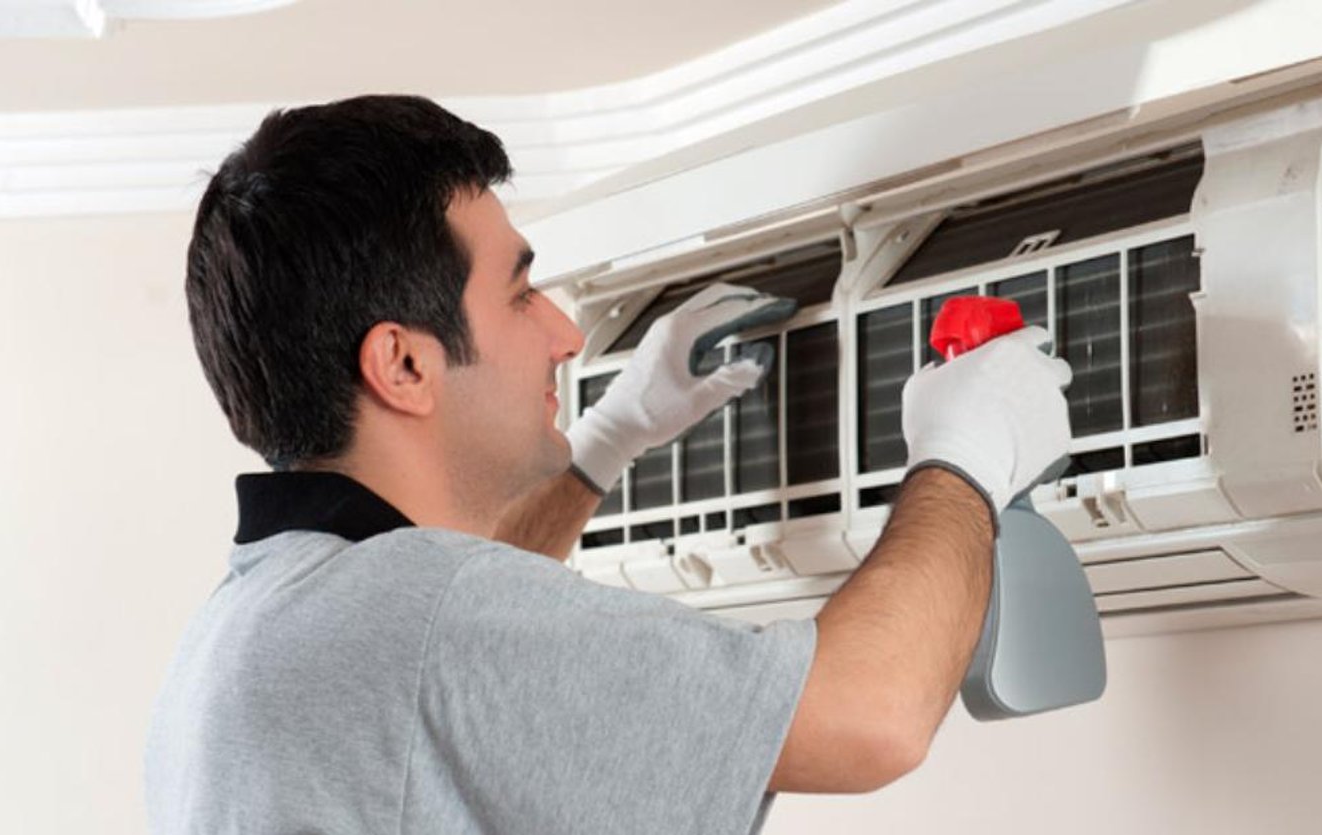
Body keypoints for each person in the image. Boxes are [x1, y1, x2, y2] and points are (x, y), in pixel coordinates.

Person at [145, 94, 1072, 835]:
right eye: (519, 295)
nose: (567, 332)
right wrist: (964, 458)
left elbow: (469, 654)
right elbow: (871, 715)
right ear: (404, 365)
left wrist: (605, 445)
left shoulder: (254, 619)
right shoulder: (424, 612)